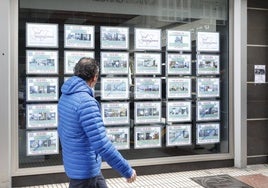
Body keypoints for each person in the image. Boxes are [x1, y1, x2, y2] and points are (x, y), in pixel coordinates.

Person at [58, 57, 137, 188]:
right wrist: (127, 170)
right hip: (84, 169)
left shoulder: (65, 96)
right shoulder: (86, 103)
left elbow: (61, 129)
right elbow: (102, 144)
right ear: (94, 78)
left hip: (77, 163)